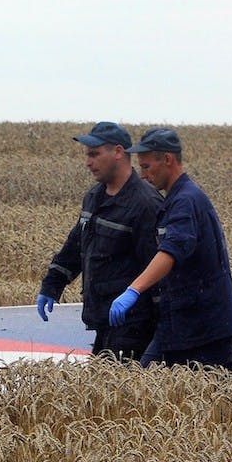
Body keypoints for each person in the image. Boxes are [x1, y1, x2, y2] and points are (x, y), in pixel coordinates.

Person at [108, 128, 232, 370]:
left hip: (202, 329)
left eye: (146, 167)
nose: (143, 175)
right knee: (147, 388)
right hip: (182, 324)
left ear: (167, 160)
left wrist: (134, 290)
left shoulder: (184, 202)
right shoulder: (179, 198)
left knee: (217, 399)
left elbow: (172, 251)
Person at [36, 121, 163, 361]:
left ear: (118, 152)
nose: (88, 162)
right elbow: (76, 245)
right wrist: (52, 285)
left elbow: (159, 268)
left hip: (135, 329)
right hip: (102, 321)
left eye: (94, 154)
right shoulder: (94, 196)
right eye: (87, 155)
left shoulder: (145, 204)